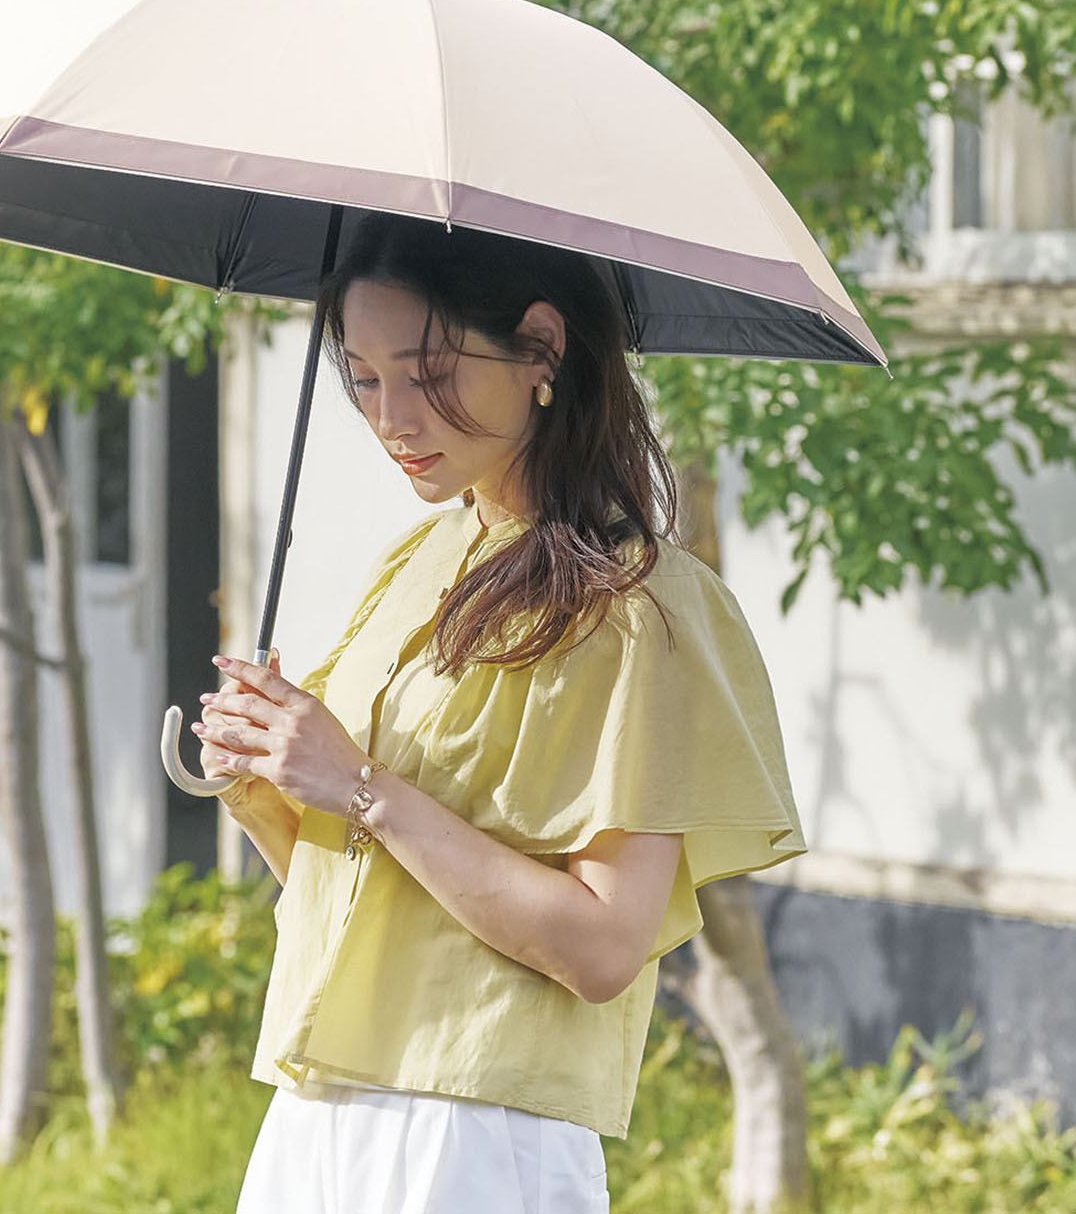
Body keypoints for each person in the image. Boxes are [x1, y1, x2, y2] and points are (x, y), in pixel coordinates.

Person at [192, 214, 804, 1214]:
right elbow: (372, 897)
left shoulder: (638, 609)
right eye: (363, 378)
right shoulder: (419, 561)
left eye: (428, 374)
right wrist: (269, 775)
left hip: (474, 1128)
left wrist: (358, 784)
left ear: (541, 349)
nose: (393, 417)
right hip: (318, 1106)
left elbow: (603, 948)